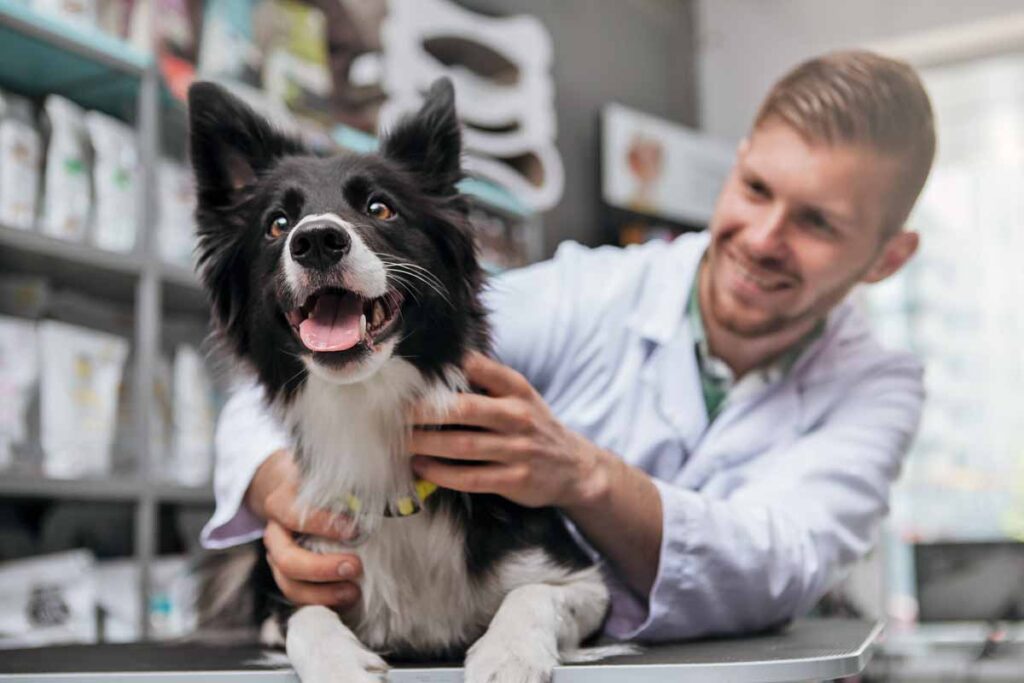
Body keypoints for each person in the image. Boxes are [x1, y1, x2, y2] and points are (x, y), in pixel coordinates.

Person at [201, 49, 934, 641]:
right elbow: (283, 375)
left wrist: (582, 474)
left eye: (817, 224)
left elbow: (781, 562)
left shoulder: (878, 386)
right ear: (737, 161)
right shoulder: (589, 290)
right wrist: (283, 491)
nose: (764, 237)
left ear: (887, 258)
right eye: (755, 188)